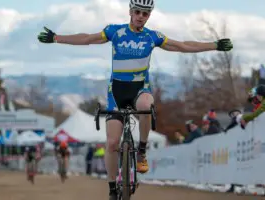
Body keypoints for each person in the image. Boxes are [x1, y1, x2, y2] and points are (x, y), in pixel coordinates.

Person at [37, 0, 233, 198]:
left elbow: (182, 45)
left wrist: (214, 45)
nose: (141, 16)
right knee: (112, 143)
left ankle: (141, 151)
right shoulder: (115, 32)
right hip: (117, 94)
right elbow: (87, 38)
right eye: (138, 12)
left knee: (146, 105)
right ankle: (113, 188)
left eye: (145, 14)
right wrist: (56, 38)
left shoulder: (152, 36)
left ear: (149, 16)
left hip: (140, 90)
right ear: (130, 12)